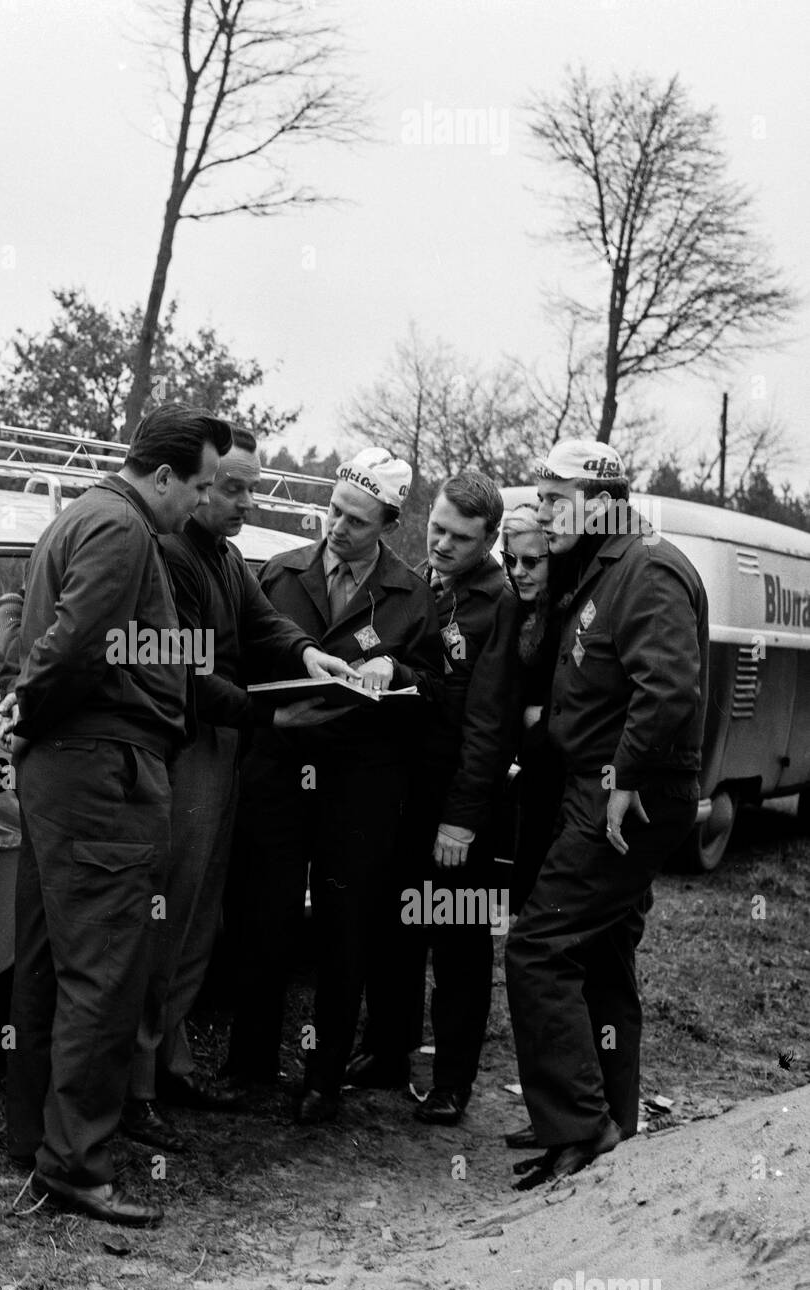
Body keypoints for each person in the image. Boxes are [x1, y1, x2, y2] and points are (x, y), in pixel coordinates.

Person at [2, 403, 229, 1228]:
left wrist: (29, 711)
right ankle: (76, 1166)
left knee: (46, 961)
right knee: (105, 971)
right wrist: (29, 706)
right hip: (102, 773)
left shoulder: (81, 514)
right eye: (199, 485)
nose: (202, 503)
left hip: (67, 769)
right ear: (162, 475)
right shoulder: (126, 530)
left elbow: (51, 636)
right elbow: (74, 641)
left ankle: (36, 1139)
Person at [123, 427, 357, 1149]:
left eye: (254, 488)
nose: (246, 503)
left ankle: (175, 1060)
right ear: (194, 483)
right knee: (166, 920)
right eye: (232, 488)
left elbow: (263, 624)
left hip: (222, 747)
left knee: (200, 920)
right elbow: (185, 674)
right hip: (185, 746)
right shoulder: (169, 556)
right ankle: (137, 1087)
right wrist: (269, 710)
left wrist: (311, 653)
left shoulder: (223, 556)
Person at [504, 439, 708, 1188]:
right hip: (601, 789)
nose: (545, 513)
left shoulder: (646, 568)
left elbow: (669, 688)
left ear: (601, 500)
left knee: (539, 946)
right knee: (601, 950)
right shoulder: (600, 568)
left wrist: (625, 771)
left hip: (627, 795)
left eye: (557, 500)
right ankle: (607, 1118)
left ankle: (579, 1126)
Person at [223, 448, 443, 1123]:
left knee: (348, 927)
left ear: (388, 522)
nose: (336, 529)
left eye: (355, 521)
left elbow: (438, 690)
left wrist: (396, 675)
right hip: (280, 767)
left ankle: (324, 1077)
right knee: (267, 915)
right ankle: (249, 1060)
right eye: (333, 512)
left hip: (360, 781)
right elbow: (239, 660)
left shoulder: (412, 594)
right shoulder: (280, 572)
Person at [346, 470, 512, 1126]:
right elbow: (383, 646)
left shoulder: (501, 604)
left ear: (489, 539)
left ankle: (451, 1083)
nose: (441, 544)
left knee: (460, 942)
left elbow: (487, 724)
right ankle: (387, 1053)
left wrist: (463, 822)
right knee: (394, 930)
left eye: (459, 537)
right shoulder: (419, 580)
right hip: (403, 793)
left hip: (461, 806)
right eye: (436, 527)